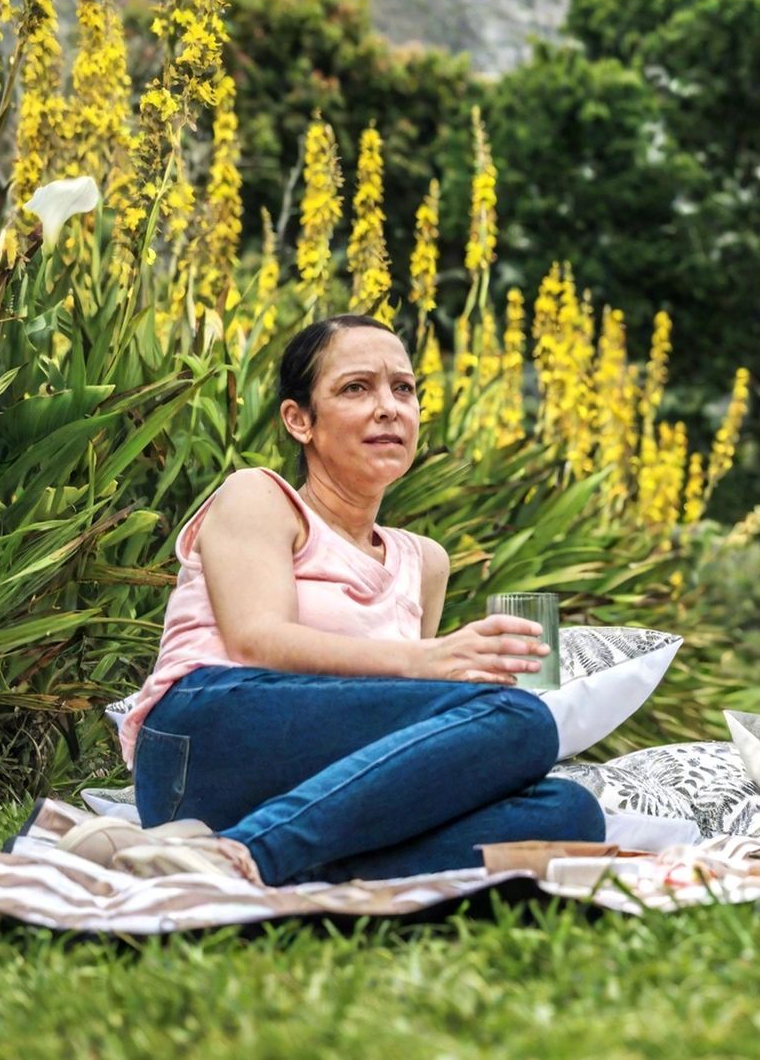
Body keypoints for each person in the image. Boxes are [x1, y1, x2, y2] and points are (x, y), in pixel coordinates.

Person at [60, 312, 605, 886]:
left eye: (403, 388)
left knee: (570, 813)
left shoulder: (425, 561)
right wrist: (434, 662)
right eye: (356, 388)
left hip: (319, 790)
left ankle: (230, 856)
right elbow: (256, 639)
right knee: (521, 721)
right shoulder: (260, 497)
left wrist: (461, 691)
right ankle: (250, 855)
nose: (389, 407)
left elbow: (401, 719)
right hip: (206, 737)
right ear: (299, 420)